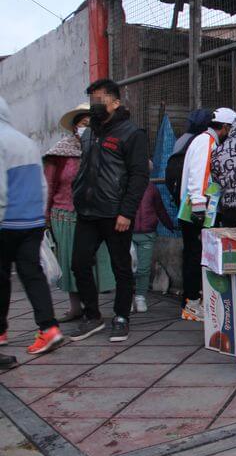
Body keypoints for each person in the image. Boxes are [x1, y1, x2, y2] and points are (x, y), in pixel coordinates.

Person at [69, 79, 149, 344]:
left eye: (100, 99)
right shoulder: (90, 132)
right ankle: (92, 316)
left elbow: (139, 177)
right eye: (93, 99)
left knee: (121, 268)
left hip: (116, 214)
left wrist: (127, 212)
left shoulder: (131, 133)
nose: (95, 105)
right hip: (88, 211)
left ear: (115, 102)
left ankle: (121, 317)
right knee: (79, 264)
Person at [0, 96, 63, 354]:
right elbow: (42, 183)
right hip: (31, 221)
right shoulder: (25, 141)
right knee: (32, 274)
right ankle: (48, 328)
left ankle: (1, 331)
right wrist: (40, 216)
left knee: (1, 277)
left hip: (5, 221)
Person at [44, 103, 115, 322]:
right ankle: (76, 307)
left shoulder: (103, 148)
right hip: (65, 215)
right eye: (83, 124)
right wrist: (45, 217)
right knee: (70, 263)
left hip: (97, 214)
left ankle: (93, 308)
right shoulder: (60, 152)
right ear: (74, 127)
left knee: (96, 263)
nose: (86, 128)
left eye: (90, 124)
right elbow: (49, 185)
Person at [178, 107, 236, 319]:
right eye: (230, 129)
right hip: (197, 210)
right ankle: (192, 305)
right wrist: (199, 207)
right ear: (224, 127)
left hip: (195, 207)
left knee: (194, 256)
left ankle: (192, 300)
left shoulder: (202, 140)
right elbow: (200, 175)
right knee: (195, 257)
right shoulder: (207, 142)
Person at [131, 161, 175, 313]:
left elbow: (160, 210)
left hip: (147, 233)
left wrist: (170, 225)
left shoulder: (152, 190)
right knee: (127, 268)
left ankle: (140, 297)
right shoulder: (125, 189)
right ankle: (127, 297)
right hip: (128, 233)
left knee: (143, 268)